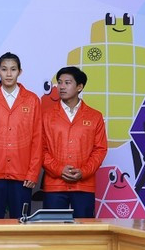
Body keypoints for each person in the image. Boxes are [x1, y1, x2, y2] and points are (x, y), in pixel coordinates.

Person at [0, 52, 43, 219]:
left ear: (20, 72)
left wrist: (32, 172)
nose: (8, 74)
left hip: (22, 175)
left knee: (21, 225)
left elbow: (38, 139)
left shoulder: (32, 100)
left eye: (13, 69)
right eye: (4, 69)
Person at [42, 66, 107, 218]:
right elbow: (40, 149)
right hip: (55, 185)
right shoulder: (46, 116)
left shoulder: (94, 116)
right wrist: (59, 169)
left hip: (84, 186)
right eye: (59, 82)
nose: (61, 87)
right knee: (53, 232)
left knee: (84, 234)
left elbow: (100, 149)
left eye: (67, 82)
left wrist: (83, 172)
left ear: (79, 87)